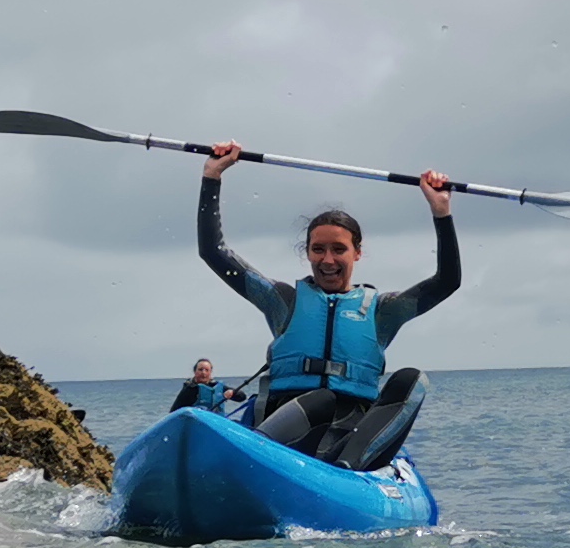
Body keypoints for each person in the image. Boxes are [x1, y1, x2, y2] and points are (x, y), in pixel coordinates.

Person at [196, 146, 460, 468]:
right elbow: (214, 252)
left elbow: (447, 281)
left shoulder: (383, 310)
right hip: (284, 431)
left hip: (351, 440)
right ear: (306, 252)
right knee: (321, 399)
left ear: (357, 253)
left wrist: (441, 211)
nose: (328, 259)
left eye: (339, 249)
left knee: (411, 379)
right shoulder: (283, 301)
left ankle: (348, 471)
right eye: (318, 249)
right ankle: (252, 461)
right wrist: (212, 176)